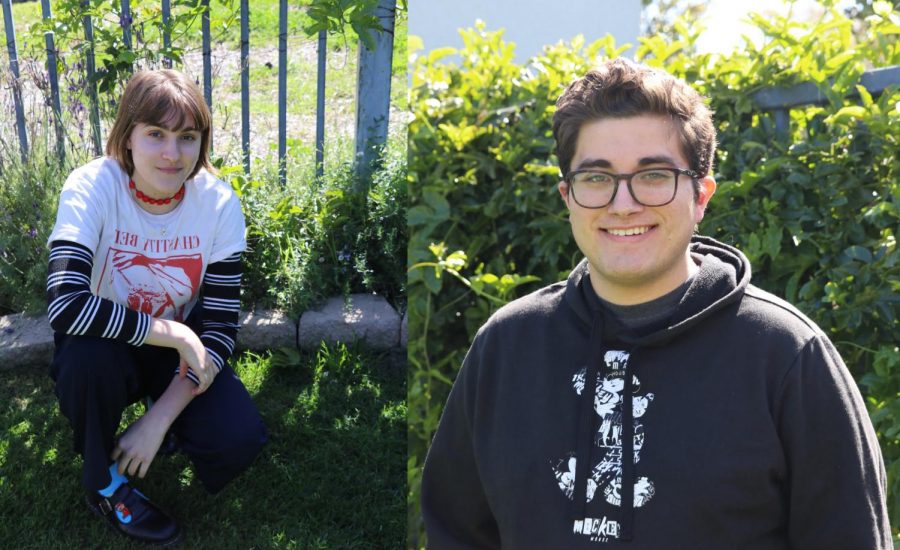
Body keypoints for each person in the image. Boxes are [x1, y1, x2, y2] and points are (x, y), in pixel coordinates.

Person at [420, 58, 890, 548]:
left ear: (701, 194)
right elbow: (456, 532)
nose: (623, 204)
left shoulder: (787, 356)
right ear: (568, 197)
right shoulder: (506, 347)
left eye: (653, 175)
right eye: (597, 178)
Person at [47, 69, 267, 545]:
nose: (172, 153)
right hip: (103, 344)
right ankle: (102, 483)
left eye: (187, 137)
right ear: (127, 138)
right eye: (155, 135)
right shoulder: (91, 187)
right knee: (86, 363)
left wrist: (160, 416)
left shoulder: (220, 204)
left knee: (238, 439)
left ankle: (161, 425)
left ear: (201, 142)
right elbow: (66, 305)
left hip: (172, 354)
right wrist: (176, 334)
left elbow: (222, 331)